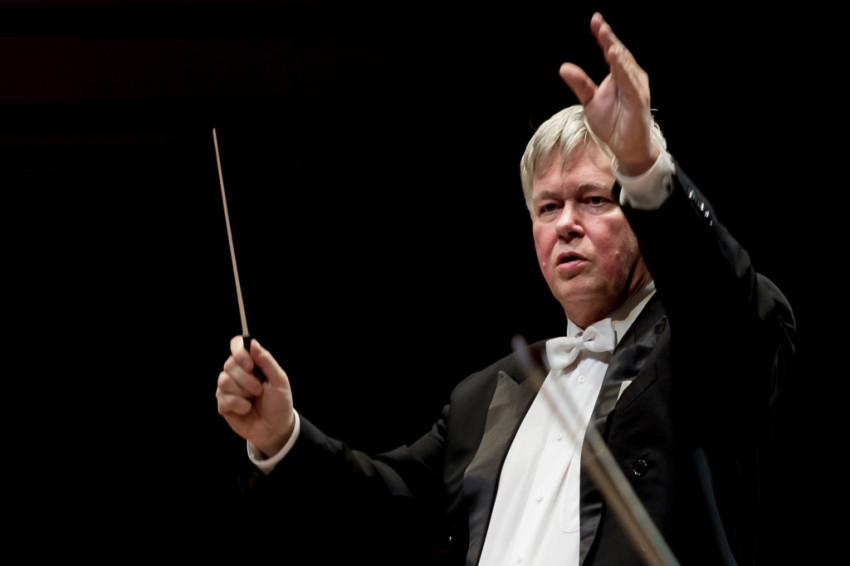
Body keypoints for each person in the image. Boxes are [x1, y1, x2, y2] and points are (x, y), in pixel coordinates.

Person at [215, 11, 795, 566]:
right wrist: (281, 435)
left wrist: (642, 164)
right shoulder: (484, 397)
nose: (567, 223)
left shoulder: (703, 349)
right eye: (548, 207)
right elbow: (385, 508)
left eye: (594, 199)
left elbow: (719, 293)